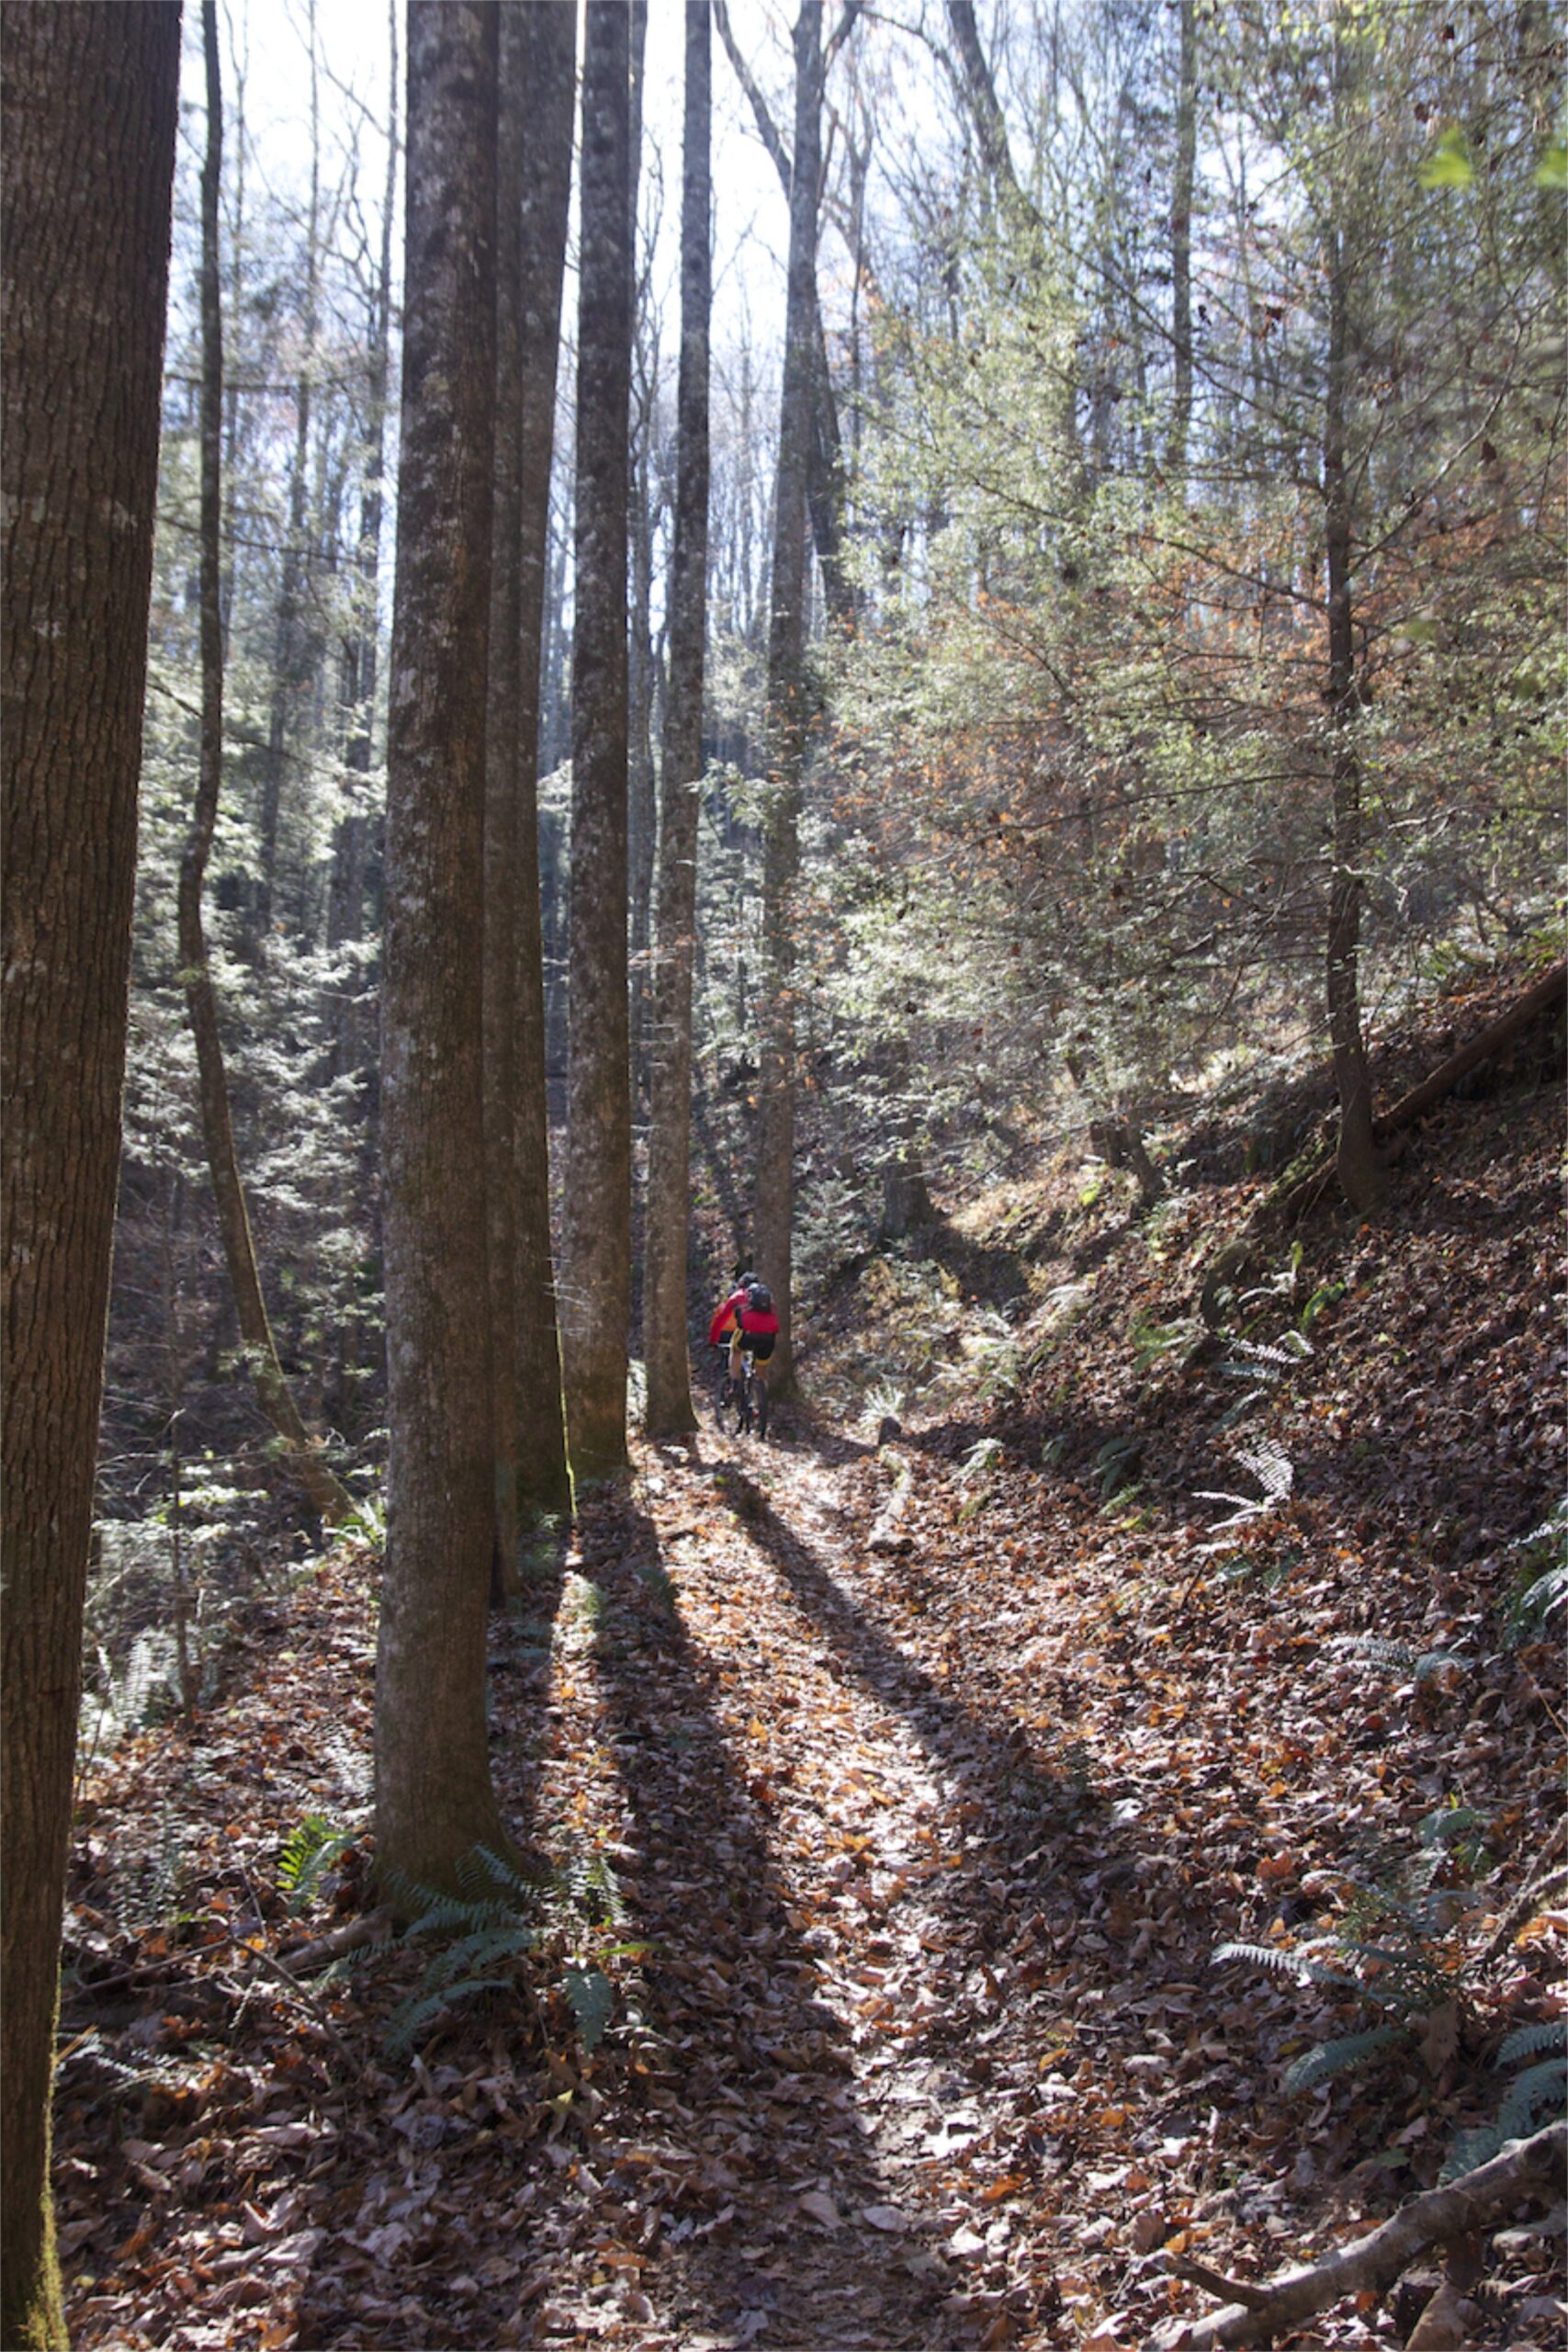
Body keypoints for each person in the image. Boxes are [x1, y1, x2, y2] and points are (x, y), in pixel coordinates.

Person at [707, 1268, 780, 1398]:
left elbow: (720, 1319)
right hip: (769, 1336)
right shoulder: (768, 1297)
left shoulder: (738, 1295)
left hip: (747, 1333)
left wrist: (713, 1339)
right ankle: (762, 1404)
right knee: (761, 1374)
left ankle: (734, 1384)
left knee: (735, 1350)